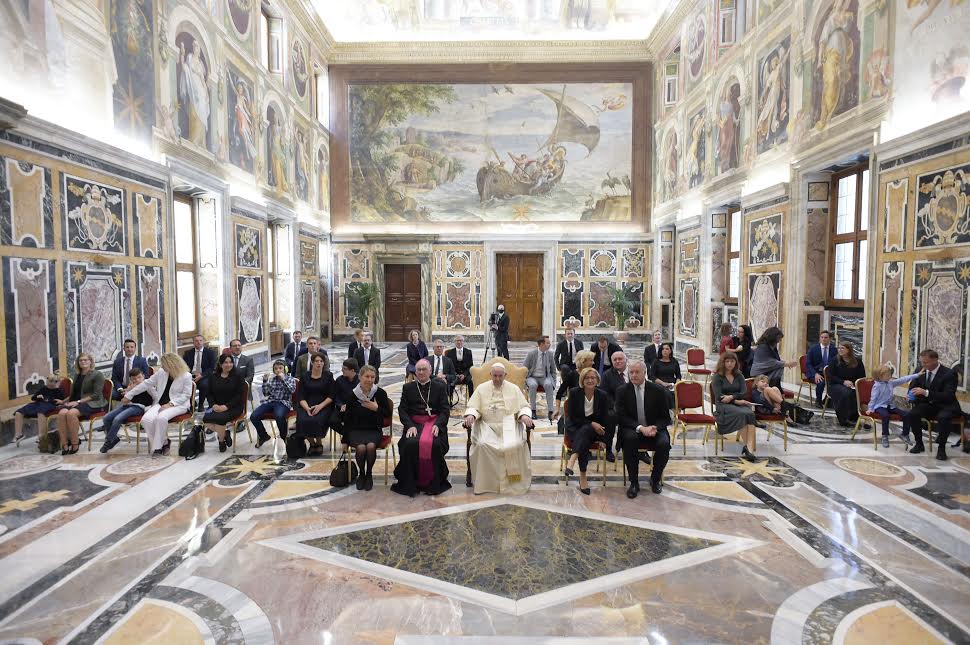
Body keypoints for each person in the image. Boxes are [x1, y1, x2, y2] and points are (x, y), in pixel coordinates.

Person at [463, 363, 535, 495]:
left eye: (500, 376)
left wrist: (524, 415)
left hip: (509, 425)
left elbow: (524, 406)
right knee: (482, 444)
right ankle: (487, 484)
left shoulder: (514, 389)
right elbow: (473, 406)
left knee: (514, 445)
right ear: (490, 374)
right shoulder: (481, 388)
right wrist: (471, 415)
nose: (497, 379)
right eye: (494, 376)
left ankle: (513, 482)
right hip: (486, 425)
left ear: (505, 375)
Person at [393, 359, 452, 497]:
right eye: (418, 370)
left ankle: (433, 483)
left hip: (434, 424)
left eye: (424, 369)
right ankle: (411, 483)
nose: (421, 372)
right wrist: (409, 426)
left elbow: (445, 410)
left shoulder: (439, 387)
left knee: (435, 445)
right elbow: (402, 410)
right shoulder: (408, 388)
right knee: (410, 444)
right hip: (415, 425)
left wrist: (438, 425)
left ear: (430, 371)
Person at [614, 361, 671, 497]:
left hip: (654, 429)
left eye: (637, 372)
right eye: (631, 372)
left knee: (664, 444)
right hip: (632, 428)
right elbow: (621, 417)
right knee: (630, 440)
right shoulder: (622, 391)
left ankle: (655, 479)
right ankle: (634, 483)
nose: (633, 375)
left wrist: (654, 427)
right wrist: (640, 428)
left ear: (644, 373)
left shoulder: (658, 390)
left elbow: (666, 418)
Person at [124, 353, 193, 456]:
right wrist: (129, 394)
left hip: (179, 405)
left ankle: (157, 448)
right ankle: (164, 442)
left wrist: (170, 404)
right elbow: (146, 383)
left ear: (171, 364)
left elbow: (186, 395)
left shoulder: (186, 376)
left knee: (161, 418)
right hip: (161, 403)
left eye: (163, 364)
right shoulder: (161, 372)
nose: (161, 366)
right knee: (146, 419)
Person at [343, 365, 393, 491]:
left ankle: (369, 474)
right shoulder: (352, 395)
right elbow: (347, 419)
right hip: (356, 430)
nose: (369, 380)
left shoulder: (380, 393)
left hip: (374, 430)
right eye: (367, 376)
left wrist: (376, 408)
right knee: (360, 448)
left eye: (372, 377)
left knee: (370, 446)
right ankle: (362, 474)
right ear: (360, 377)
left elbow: (387, 414)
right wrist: (344, 440)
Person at [908, 349, 962, 460]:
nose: (923, 365)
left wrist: (926, 393)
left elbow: (948, 396)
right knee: (913, 414)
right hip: (928, 405)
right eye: (921, 362)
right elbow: (913, 386)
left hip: (946, 405)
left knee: (943, 418)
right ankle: (919, 444)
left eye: (926, 362)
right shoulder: (920, 370)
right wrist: (910, 395)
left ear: (935, 360)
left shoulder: (949, 374)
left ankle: (941, 449)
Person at [565, 367, 610, 495]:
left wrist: (603, 439)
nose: (590, 380)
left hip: (594, 431)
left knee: (586, 431)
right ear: (582, 380)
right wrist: (591, 423)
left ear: (597, 380)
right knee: (584, 435)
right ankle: (583, 477)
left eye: (592, 378)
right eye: (587, 378)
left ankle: (572, 459)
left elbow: (606, 419)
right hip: (575, 427)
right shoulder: (574, 393)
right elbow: (573, 417)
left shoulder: (602, 395)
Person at [711, 353, 761, 462]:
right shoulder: (717, 377)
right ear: (723, 363)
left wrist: (732, 397)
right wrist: (735, 400)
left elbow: (743, 392)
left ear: (735, 363)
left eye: (732, 361)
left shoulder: (739, 376)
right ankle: (748, 448)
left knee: (750, 414)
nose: (730, 364)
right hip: (723, 406)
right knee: (743, 414)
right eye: (727, 361)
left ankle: (749, 449)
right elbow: (719, 396)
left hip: (737, 403)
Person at [54, 352, 107, 455]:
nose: (83, 362)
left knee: (71, 414)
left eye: (85, 360)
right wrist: (64, 402)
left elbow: (96, 395)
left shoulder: (97, 374)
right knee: (61, 413)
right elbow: (74, 393)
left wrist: (78, 402)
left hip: (93, 403)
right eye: (81, 360)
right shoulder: (77, 375)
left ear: (90, 361)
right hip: (76, 402)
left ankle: (75, 443)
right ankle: (65, 444)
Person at [100, 368, 153, 453]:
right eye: (134, 379)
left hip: (139, 407)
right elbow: (124, 400)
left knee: (117, 419)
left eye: (139, 377)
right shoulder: (131, 386)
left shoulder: (147, 385)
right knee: (106, 418)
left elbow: (155, 397)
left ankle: (108, 442)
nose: (137, 380)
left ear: (143, 376)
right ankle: (114, 439)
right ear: (131, 379)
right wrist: (129, 390)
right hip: (127, 406)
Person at [868, 365, 921, 448]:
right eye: (888, 375)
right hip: (879, 406)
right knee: (886, 415)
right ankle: (885, 436)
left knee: (907, 414)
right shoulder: (877, 386)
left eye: (890, 374)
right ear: (880, 376)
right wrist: (870, 408)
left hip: (890, 405)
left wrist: (917, 375)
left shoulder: (890, 383)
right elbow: (873, 398)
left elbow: (903, 379)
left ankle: (905, 434)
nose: (890, 376)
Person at [202, 354, 246, 452]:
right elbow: (209, 393)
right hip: (217, 406)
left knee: (220, 419)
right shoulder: (213, 376)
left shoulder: (238, 376)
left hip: (234, 407)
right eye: (226, 362)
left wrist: (226, 406)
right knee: (206, 419)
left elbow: (239, 395)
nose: (228, 365)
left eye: (230, 362)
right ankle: (225, 433)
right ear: (220, 364)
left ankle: (221, 442)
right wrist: (213, 405)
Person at [296, 352, 335, 456]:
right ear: (312, 363)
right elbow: (301, 396)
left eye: (321, 361)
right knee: (303, 420)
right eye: (317, 361)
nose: (319, 363)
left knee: (317, 420)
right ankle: (312, 444)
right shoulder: (305, 376)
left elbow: (332, 395)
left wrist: (320, 406)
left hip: (324, 405)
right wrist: (307, 408)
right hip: (307, 404)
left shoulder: (328, 376)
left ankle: (319, 443)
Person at [250, 359, 297, 447]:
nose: (278, 370)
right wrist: (265, 381)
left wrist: (283, 380)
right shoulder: (272, 380)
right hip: (271, 401)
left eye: (280, 368)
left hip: (283, 403)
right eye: (276, 368)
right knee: (254, 416)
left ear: (285, 369)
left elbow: (291, 390)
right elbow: (266, 393)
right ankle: (264, 436)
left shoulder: (290, 379)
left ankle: (284, 437)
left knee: (278, 415)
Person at [599, 350, 632, 462]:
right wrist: (616, 405)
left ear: (626, 360)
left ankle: (640, 450)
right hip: (614, 407)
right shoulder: (607, 375)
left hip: (633, 405)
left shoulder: (633, 372)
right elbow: (604, 394)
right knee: (610, 417)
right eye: (615, 360)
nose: (617, 361)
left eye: (620, 359)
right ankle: (608, 449)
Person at [827, 342, 866, 427]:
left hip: (852, 385)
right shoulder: (834, 360)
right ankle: (844, 419)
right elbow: (830, 376)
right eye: (839, 348)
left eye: (842, 348)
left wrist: (853, 383)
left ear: (849, 350)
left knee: (857, 393)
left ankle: (856, 418)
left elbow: (862, 376)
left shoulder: (858, 361)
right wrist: (843, 382)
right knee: (846, 393)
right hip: (836, 384)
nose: (839, 350)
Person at [554, 349, 594, 422]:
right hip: (576, 410)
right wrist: (557, 409)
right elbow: (559, 393)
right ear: (583, 361)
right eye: (591, 360)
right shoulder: (572, 375)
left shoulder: (593, 374)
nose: (593, 363)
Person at [523, 335, 556, 421]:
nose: (550, 344)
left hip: (545, 377)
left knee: (549, 385)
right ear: (541, 344)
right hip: (532, 377)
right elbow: (524, 368)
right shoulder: (531, 354)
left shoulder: (550, 354)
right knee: (533, 385)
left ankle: (551, 411)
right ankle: (533, 410)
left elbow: (553, 369)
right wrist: (524, 380)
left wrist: (554, 381)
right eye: (548, 343)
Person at [182, 334, 216, 407]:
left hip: (204, 375)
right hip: (190, 375)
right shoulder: (188, 353)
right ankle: (192, 403)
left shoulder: (210, 353)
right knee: (183, 384)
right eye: (196, 341)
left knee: (204, 385)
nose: (199, 342)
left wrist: (201, 375)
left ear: (203, 342)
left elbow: (212, 368)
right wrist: (189, 375)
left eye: (200, 340)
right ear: (193, 342)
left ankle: (201, 404)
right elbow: (184, 366)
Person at [805, 330, 835, 406]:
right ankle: (818, 401)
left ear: (830, 339)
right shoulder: (813, 349)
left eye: (826, 337)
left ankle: (828, 400)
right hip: (815, 372)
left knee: (835, 382)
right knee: (821, 382)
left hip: (828, 373)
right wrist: (815, 374)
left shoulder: (834, 350)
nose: (823, 339)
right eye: (822, 337)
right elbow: (808, 364)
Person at [648, 342, 681, 407]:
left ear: (670, 351)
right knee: (666, 393)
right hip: (659, 383)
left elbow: (678, 375)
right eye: (663, 349)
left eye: (667, 349)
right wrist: (663, 383)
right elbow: (651, 376)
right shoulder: (656, 361)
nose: (664, 351)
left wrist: (677, 384)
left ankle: (676, 409)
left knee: (681, 392)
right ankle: (670, 409)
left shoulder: (674, 361)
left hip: (672, 383)